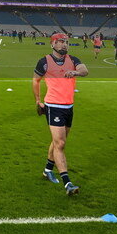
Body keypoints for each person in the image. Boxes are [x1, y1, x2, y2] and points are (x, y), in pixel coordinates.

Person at [33, 33, 89, 195]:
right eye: (60, 42)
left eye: (66, 42)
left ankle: (47, 170)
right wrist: (38, 101)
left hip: (69, 106)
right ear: (52, 45)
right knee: (60, 143)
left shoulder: (74, 59)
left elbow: (85, 70)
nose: (64, 45)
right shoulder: (44, 62)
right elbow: (35, 80)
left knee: (58, 141)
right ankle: (67, 183)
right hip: (53, 105)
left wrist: (76, 73)